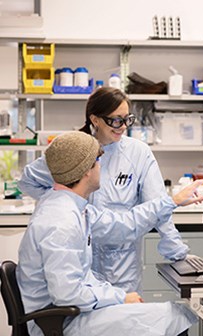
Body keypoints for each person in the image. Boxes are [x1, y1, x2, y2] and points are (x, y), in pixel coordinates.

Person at [16, 132, 201, 336]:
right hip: (58, 323)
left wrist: (172, 202)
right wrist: (120, 297)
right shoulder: (61, 223)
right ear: (86, 171)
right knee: (169, 317)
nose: (101, 167)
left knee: (166, 315)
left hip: (71, 313)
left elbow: (122, 224)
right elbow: (67, 294)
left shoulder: (70, 206)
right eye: (97, 162)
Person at [18, 87, 192, 293]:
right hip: (80, 264)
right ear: (95, 119)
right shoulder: (72, 151)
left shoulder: (137, 153)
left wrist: (177, 252)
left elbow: (157, 206)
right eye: (116, 120)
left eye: (127, 119)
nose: (123, 126)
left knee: (122, 315)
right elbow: (28, 182)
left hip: (121, 266)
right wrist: (67, 206)